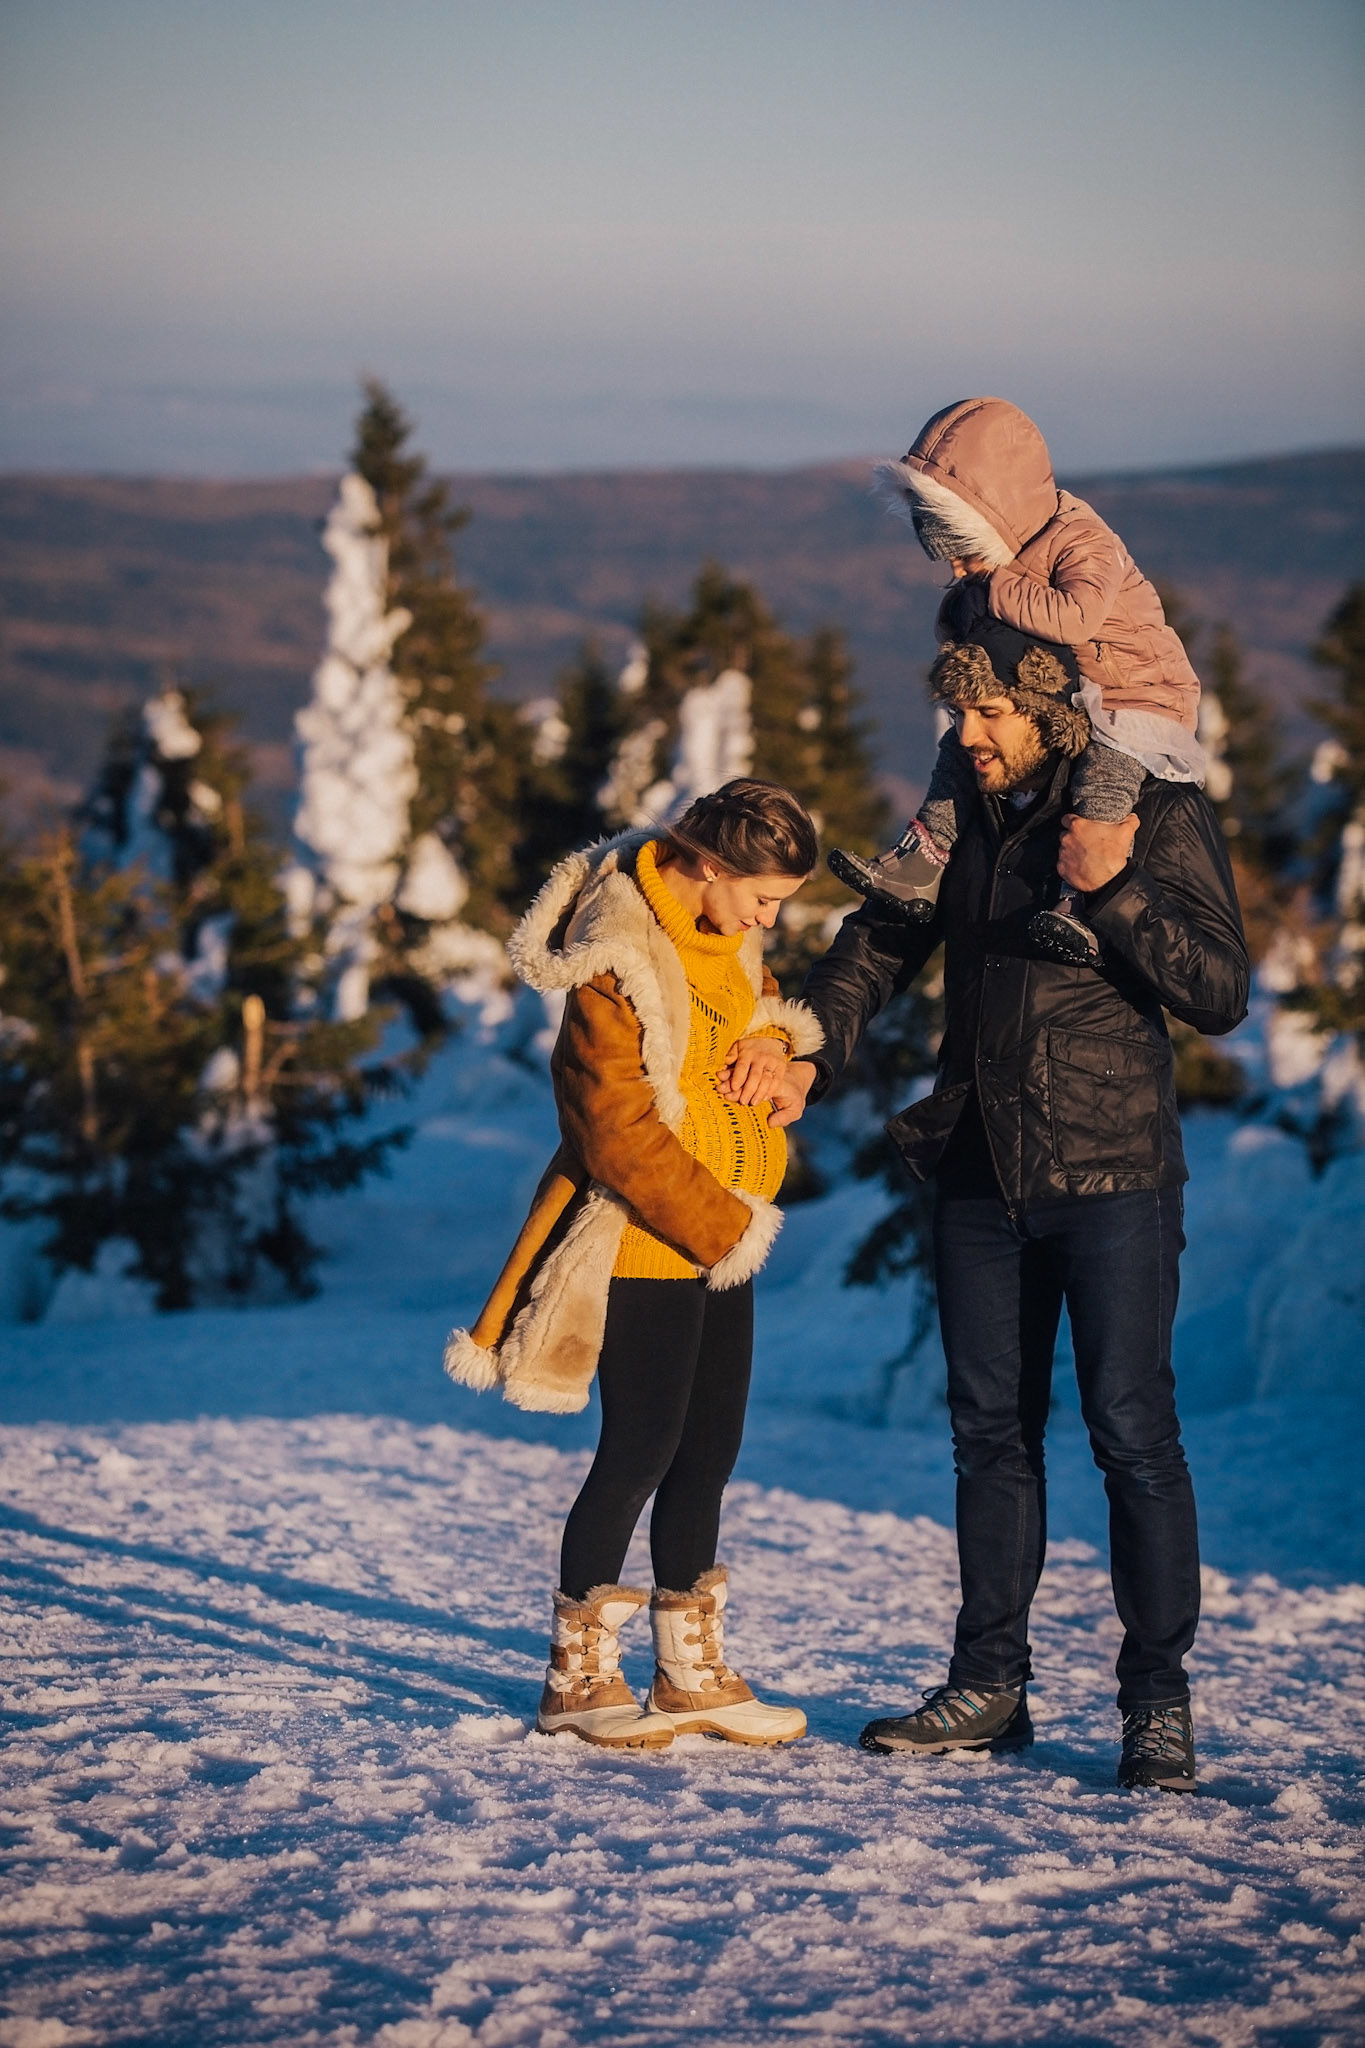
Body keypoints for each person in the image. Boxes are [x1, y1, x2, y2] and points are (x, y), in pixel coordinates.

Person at [772, 619, 1249, 1792]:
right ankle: (990, 1684)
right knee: (989, 1436)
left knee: (1132, 1433)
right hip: (982, 1169)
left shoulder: (1151, 807)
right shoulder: (961, 821)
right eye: (960, 710)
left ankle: (1157, 1701)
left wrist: (1116, 885)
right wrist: (807, 1045)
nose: (969, 732)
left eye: (990, 710)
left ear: (1050, 706)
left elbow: (1220, 988)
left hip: (1112, 1173)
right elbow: (878, 941)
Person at [445, 780, 825, 1751]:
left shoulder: (727, 939)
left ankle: (689, 1675)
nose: (768, 919)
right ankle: (575, 1676)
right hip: (650, 1241)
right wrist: (720, 1226)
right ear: (709, 864)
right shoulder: (616, 954)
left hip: (723, 1240)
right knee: (640, 1448)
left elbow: (746, 1020)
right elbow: (611, 1129)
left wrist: (774, 1049)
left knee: (708, 1453)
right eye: (762, 898)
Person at [828, 397, 1207, 967]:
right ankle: (921, 860)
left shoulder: (1083, 540)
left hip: (1139, 697)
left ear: (996, 521)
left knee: (1102, 782)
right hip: (1081, 693)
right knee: (960, 747)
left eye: (963, 553)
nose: (957, 569)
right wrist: (964, 613)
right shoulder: (1006, 561)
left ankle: (1080, 904)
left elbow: (1075, 618)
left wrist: (993, 585)